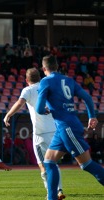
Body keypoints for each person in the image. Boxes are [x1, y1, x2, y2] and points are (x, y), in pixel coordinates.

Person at [36, 55, 104, 200]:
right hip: (65, 128)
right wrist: (92, 116)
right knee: (48, 161)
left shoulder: (45, 81)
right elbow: (86, 97)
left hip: (67, 128)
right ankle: (51, 198)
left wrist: (46, 110)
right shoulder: (68, 80)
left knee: (86, 164)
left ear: (44, 68)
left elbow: (39, 108)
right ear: (57, 66)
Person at [3, 67, 65, 199]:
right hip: (55, 131)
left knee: (43, 165)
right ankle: (59, 190)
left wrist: (8, 115)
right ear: (40, 76)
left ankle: (50, 193)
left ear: (26, 80)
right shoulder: (47, 85)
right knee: (53, 162)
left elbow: (20, 103)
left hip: (40, 133)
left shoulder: (28, 90)